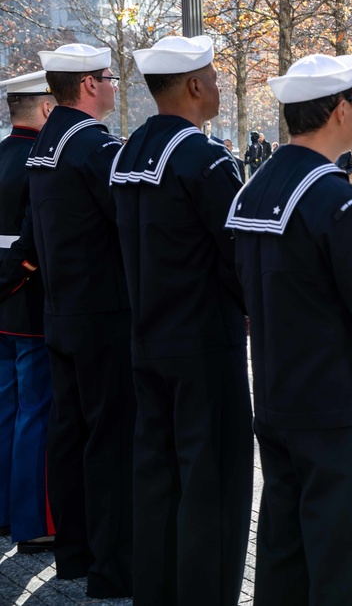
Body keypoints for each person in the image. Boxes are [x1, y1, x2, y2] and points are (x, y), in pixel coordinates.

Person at [226, 54, 352, 606]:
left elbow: (237, 287)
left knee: (285, 551)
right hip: (334, 404)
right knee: (346, 559)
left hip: (276, 394)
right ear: (336, 111)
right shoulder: (334, 197)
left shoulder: (254, 188)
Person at [109, 35, 251, 606]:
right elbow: (236, 251)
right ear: (194, 86)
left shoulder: (126, 152)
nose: (219, 84)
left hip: (145, 336)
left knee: (157, 478)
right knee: (212, 483)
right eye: (214, 76)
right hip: (203, 343)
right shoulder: (206, 159)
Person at [27, 43, 135, 597]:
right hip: (102, 311)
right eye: (110, 78)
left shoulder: (49, 140)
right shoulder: (93, 144)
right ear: (90, 84)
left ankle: (73, 553)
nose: (115, 87)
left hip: (62, 308)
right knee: (109, 438)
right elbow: (127, 220)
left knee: (69, 435)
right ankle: (111, 566)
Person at [0, 71, 56, 554]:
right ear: (45, 108)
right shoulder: (40, 159)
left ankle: (3, 510)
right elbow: (34, 236)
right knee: (34, 411)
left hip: (3, 296)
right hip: (28, 297)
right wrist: (18, 274)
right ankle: (32, 520)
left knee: (6, 408)